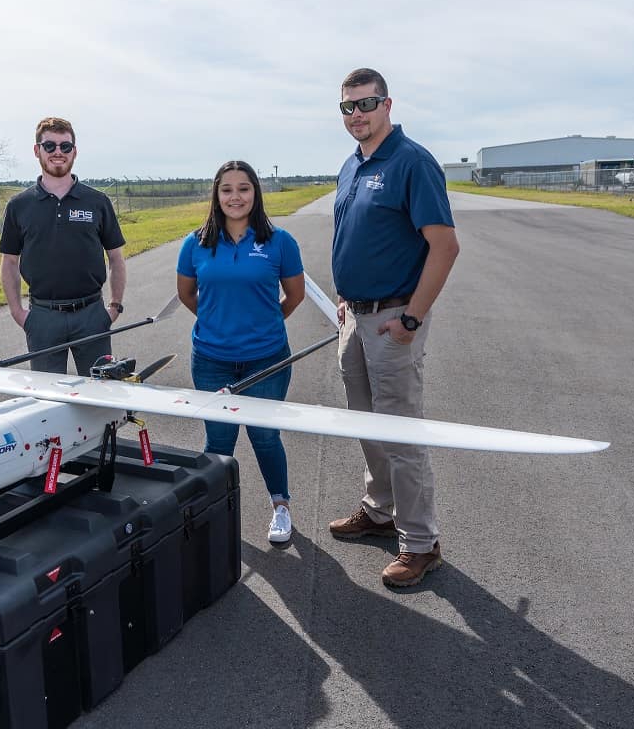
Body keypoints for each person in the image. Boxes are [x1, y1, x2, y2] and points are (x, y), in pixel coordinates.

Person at [327, 68, 460, 587]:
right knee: (367, 423)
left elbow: (445, 247)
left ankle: (420, 542)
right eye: (347, 107)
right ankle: (380, 510)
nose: (356, 115)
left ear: (387, 105)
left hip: (392, 320)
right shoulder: (350, 166)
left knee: (401, 433)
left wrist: (411, 318)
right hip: (354, 315)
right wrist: (345, 291)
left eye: (366, 104)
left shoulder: (411, 162)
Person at [177, 160, 305, 544]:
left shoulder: (280, 241)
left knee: (265, 437)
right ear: (216, 195)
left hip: (267, 360)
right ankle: (211, 513)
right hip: (212, 360)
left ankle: (280, 507)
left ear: (255, 193)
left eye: (244, 188)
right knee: (218, 441)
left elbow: (295, 295)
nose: (236, 197)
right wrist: (218, 321)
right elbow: (187, 294)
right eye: (227, 189)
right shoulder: (194, 243)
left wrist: (263, 323)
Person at [0, 117, 127, 375]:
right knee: (47, 401)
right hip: (43, 318)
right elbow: (9, 262)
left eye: (65, 146)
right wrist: (17, 312)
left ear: (74, 152)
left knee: (99, 397)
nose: (58, 152)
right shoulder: (19, 206)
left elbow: (115, 258)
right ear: (37, 150)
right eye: (50, 146)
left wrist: (114, 307)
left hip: (91, 315)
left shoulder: (97, 202)